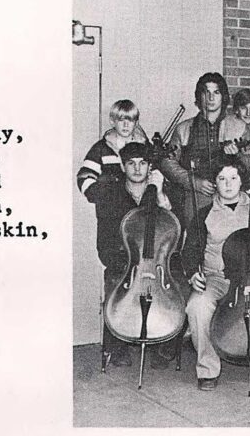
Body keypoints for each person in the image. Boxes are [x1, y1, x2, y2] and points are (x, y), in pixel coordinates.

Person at [180, 156, 250, 390]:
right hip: (217, 277)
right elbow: (190, 251)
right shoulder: (204, 214)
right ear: (215, 183)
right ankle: (208, 369)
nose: (228, 184)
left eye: (234, 178)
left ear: (242, 181)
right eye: (222, 178)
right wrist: (192, 273)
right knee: (197, 305)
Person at [83, 142, 172, 368]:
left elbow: (173, 225)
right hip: (123, 260)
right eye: (131, 164)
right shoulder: (110, 194)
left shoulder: (159, 191)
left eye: (143, 164)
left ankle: (161, 344)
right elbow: (104, 240)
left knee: (175, 286)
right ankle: (117, 345)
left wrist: (160, 192)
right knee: (115, 282)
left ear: (149, 167)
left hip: (155, 262)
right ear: (123, 167)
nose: (137, 169)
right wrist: (125, 263)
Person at [159, 73, 248, 224]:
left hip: (231, 193)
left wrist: (237, 156)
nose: (211, 98)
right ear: (199, 96)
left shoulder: (238, 126)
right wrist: (193, 182)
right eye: (206, 92)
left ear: (223, 97)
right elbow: (168, 162)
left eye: (216, 92)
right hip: (196, 195)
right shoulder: (183, 128)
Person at [76, 99, 148, 201]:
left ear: (136, 123)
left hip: (137, 210)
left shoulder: (145, 147)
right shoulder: (101, 148)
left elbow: (154, 175)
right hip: (110, 208)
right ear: (112, 122)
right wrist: (101, 195)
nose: (126, 125)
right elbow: (84, 176)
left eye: (130, 120)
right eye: (121, 120)